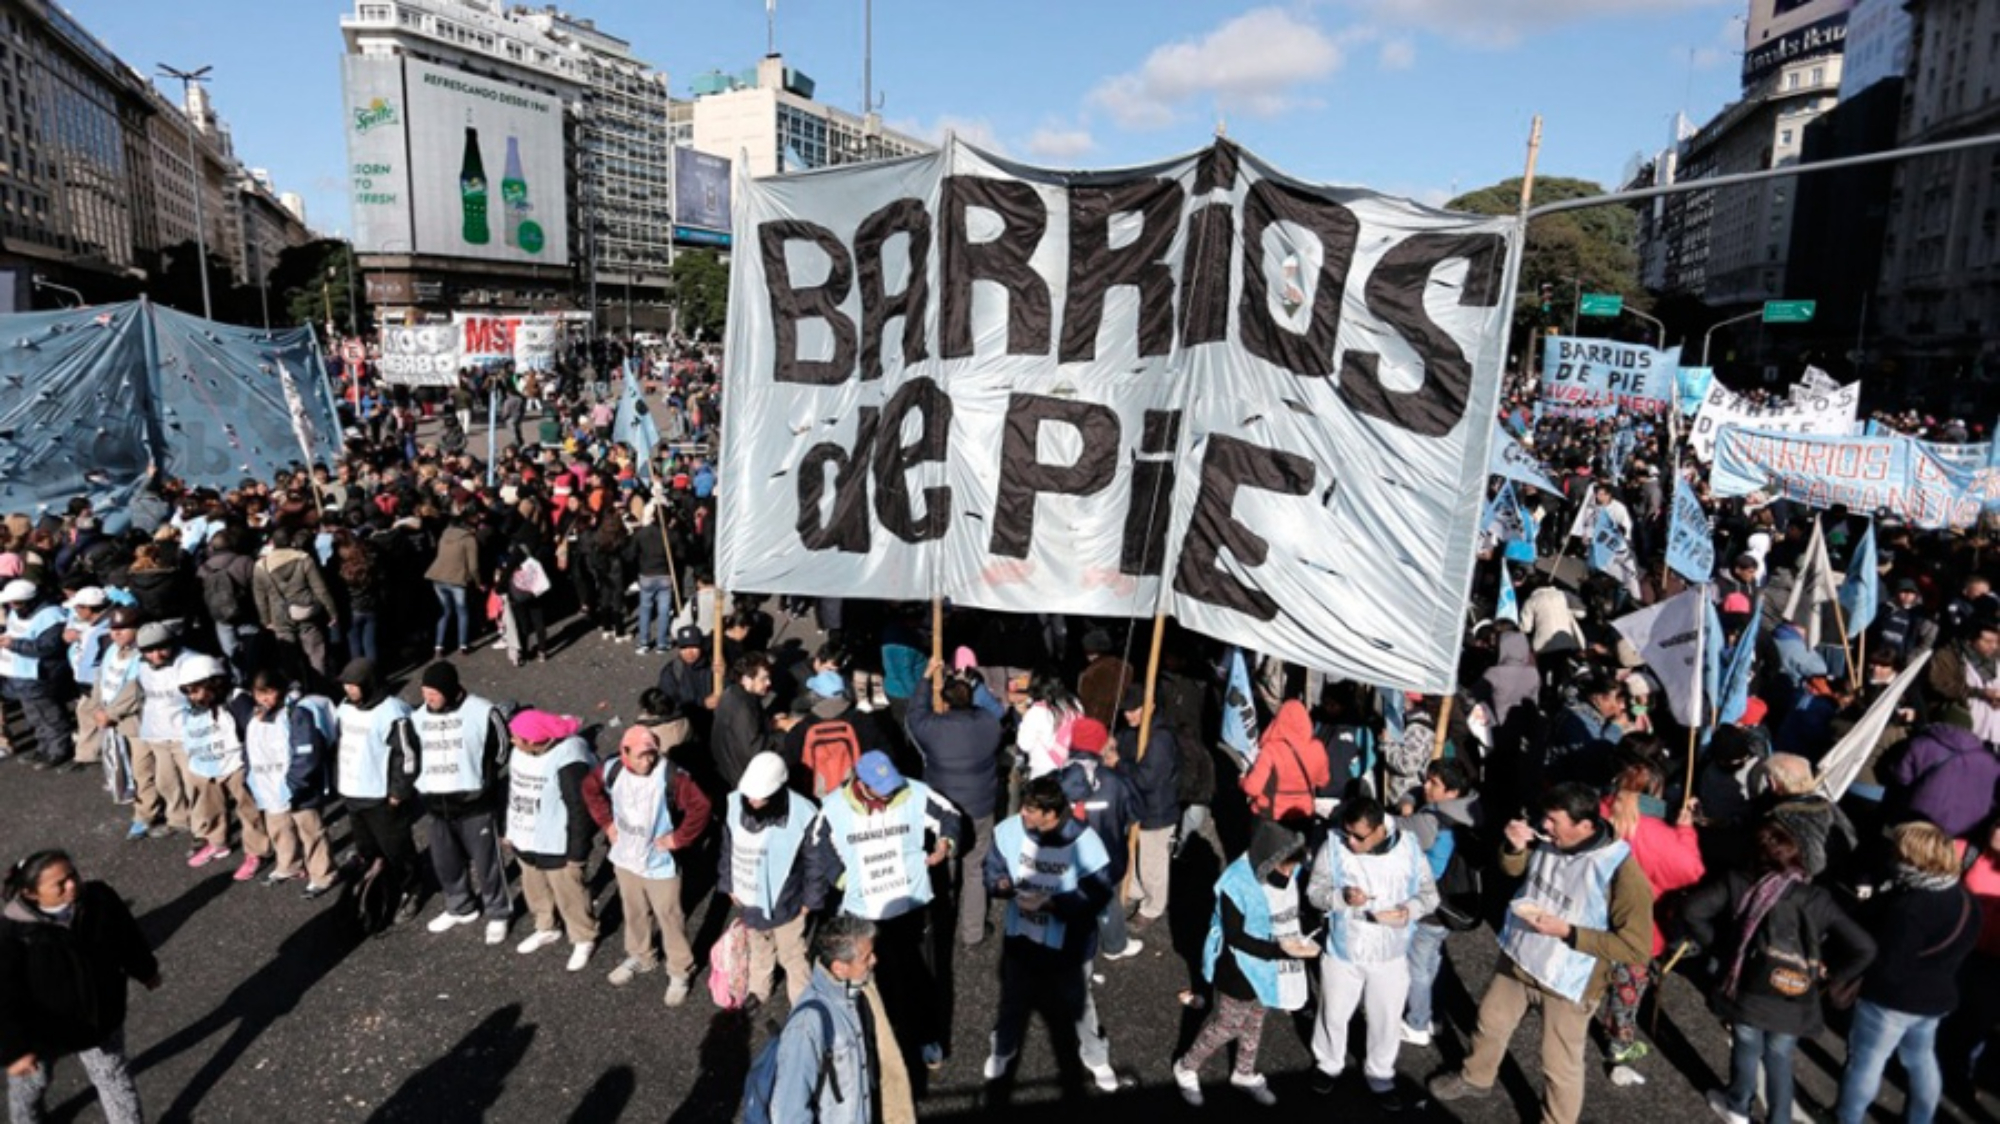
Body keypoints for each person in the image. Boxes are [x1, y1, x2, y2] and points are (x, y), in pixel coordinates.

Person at [1428, 782, 1654, 1124]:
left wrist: (1569, 933)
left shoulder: (1621, 872)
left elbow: (1636, 947)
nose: (1544, 827)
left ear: (1585, 825)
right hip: (1522, 955)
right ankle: (1476, 1078)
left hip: (1570, 980)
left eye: (1553, 821)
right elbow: (1514, 869)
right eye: (1545, 818)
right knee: (1490, 1023)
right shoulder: (1552, 839)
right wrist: (1514, 848)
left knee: (1559, 1063)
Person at [1678, 821, 1875, 1124]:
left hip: (1748, 989)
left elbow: (1692, 910)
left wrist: (1723, 949)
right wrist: (1831, 974)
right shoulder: (1816, 898)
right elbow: (1865, 948)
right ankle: (1779, 1119)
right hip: (1795, 994)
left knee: (1746, 1045)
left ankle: (1738, 1107)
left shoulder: (1738, 881)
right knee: (1780, 1057)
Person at [803, 749, 961, 1071]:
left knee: (922, 975)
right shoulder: (834, 806)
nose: (889, 793)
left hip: (912, 905)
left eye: (891, 785)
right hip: (866, 912)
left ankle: (927, 1037)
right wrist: (843, 878)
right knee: (875, 982)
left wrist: (946, 842)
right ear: (861, 782)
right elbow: (816, 844)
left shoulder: (915, 792)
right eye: (881, 787)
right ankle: (881, 1048)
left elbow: (950, 815)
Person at [1835, 821, 1983, 1124]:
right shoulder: (1967, 899)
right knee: (1921, 1062)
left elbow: (1891, 965)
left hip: (1891, 1002)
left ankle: (1846, 1118)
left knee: (1866, 1063)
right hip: (1936, 998)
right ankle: (1920, 1119)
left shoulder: (1912, 906)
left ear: (1911, 858)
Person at [981, 776, 1121, 1092]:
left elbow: (1098, 891)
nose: (1023, 815)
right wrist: (1002, 885)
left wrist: (1053, 903)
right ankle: (1003, 1049)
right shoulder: (1009, 830)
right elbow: (993, 869)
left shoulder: (1085, 841)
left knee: (1080, 1004)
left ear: (1052, 812)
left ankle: (1096, 1057)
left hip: (1070, 943)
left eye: (1031, 810)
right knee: (1013, 997)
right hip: (1022, 934)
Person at [0, 850, 156, 1124]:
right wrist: (15, 1050)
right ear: (31, 894)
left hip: (98, 1018)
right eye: (59, 884)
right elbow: (5, 995)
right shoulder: (12, 935)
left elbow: (127, 936)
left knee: (114, 1079)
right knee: (32, 1084)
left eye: (72, 875)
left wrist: (145, 969)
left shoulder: (99, 898)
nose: (72, 885)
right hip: (42, 1028)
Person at [1173, 820, 1318, 1108]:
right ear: (1268, 859)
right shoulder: (1236, 883)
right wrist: (1281, 951)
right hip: (1237, 967)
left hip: (1267, 963)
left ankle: (1244, 1072)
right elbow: (1235, 937)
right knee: (1227, 1024)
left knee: (1255, 1019)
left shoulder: (1284, 870)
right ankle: (1186, 1066)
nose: (1289, 873)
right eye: (1285, 866)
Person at [1306, 796, 1437, 1109]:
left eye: (1359, 836)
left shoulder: (1409, 847)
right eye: (1347, 832)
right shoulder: (1334, 845)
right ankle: (1328, 1064)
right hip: (1343, 949)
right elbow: (1314, 892)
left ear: (1381, 829)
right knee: (1333, 1013)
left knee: (1386, 1020)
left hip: (1391, 953)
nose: (1350, 841)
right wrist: (1340, 897)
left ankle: (1380, 1074)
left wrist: (1407, 911)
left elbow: (1430, 896)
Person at [581, 725, 711, 1002]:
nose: (647, 761)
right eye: (641, 756)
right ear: (624, 752)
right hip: (626, 857)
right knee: (634, 910)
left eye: (651, 754)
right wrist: (606, 824)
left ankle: (680, 969)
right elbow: (589, 790)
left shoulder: (670, 776)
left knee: (670, 916)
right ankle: (641, 955)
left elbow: (701, 806)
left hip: (658, 862)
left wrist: (678, 839)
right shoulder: (611, 769)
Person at [1596, 757, 1705, 1073]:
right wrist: (1685, 830)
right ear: (1657, 791)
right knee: (1627, 989)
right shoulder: (1659, 833)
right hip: (1638, 924)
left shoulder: (1598, 812)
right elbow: (1691, 871)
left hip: (1591, 914)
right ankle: (1620, 1045)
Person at [412, 660, 514, 945]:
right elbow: (412, 754)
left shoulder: (482, 711)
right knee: (446, 862)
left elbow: (501, 750)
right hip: (436, 804)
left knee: (487, 863)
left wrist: (485, 779)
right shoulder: (417, 717)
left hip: (474, 804)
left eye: (433, 693)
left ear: (449, 689)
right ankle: (460, 906)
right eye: (424, 692)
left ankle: (498, 912)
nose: (427, 698)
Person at [908, 661, 1005, 947]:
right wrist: (973, 683)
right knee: (975, 867)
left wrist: (926, 678)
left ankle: (942, 926)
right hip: (980, 805)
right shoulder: (989, 723)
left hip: (944, 809)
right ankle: (973, 930)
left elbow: (914, 714)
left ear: (945, 702)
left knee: (945, 868)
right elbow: (997, 710)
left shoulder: (932, 729)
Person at [502, 709, 599, 973]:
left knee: (570, 892)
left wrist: (578, 851)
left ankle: (583, 936)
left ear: (535, 741)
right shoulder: (522, 752)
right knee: (535, 887)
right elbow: (515, 791)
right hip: (527, 835)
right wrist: (511, 830)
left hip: (558, 841)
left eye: (518, 738)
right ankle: (545, 926)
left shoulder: (569, 759)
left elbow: (580, 807)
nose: (513, 742)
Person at [719, 752, 816, 1007]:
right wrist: (728, 883)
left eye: (758, 795)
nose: (750, 800)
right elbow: (727, 848)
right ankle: (758, 988)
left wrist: (810, 900)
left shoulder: (803, 813)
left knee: (793, 954)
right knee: (758, 946)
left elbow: (814, 862)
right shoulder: (734, 804)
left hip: (788, 900)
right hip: (750, 897)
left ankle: (802, 1001)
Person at [1400, 757, 1484, 1047]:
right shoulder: (1472, 808)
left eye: (1433, 783)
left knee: (1417, 965)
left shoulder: (1432, 819)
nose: (1426, 786)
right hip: (1453, 902)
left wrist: (1404, 809)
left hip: (1429, 903)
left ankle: (1417, 1023)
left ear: (1451, 792)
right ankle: (1434, 1014)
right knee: (1434, 960)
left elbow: (1399, 829)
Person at [766, 914, 879, 1124]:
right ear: (839, 968)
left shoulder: (856, 993)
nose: (874, 960)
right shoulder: (807, 1025)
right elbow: (789, 1113)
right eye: (866, 958)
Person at [333, 658, 421, 920]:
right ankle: (378, 887)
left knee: (398, 850)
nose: (348, 691)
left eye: (353, 686)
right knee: (366, 848)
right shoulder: (345, 708)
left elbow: (406, 756)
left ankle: (412, 889)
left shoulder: (392, 712)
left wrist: (398, 793)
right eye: (345, 685)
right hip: (353, 793)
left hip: (381, 798)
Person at [242, 671, 338, 897]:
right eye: (259, 693)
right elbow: (250, 751)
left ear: (281, 690)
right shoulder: (254, 718)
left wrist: (294, 783)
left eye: (270, 692)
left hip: (299, 789)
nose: (265, 699)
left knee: (311, 831)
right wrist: (252, 779)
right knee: (279, 829)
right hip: (269, 787)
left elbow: (307, 753)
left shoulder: (297, 714)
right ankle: (289, 865)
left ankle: (323, 874)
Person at [1057, 718, 1143, 961]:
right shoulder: (1115, 781)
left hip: (1067, 858)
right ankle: (1115, 945)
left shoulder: (1057, 777)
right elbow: (1136, 813)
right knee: (1106, 900)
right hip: (1106, 856)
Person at [177, 655, 269, 881]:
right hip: (206, 765)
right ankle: (216, 841)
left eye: (197, 690)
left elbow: (253, 730)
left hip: (235, 764)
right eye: (189, 692)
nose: (193, 697)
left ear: (214, 683)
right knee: (211, 807)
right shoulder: (194, 706)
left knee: (249, 810)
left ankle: (256, 851)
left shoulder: (236, 700)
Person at [1110, 685, 1178, 934]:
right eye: (1126, 710)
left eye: (1134, 709)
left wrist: (1118, 763)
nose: (1129, 715)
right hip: (1136, 807)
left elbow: (1148, 779)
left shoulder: (1160, 738)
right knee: (1131, 854)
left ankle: (1153, 907)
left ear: (1149, 706)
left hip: (1156, 811)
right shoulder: (1132, 731)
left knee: (1152, 864)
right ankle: (1135, 890)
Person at [0, 579, 73, 768]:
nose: (11, 607)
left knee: (50, 715)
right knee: (33, 715)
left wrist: (13, 645)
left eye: (15, 603)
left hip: (42, 675)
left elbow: (48, 647)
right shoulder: (18, 612)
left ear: (30, 601)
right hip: (21, 673)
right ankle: (44, 747)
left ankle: (59, 750)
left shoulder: (51, 616)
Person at [251, 527, 337, 683]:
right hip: (307, 611)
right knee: (315, 652)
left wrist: (266, 620)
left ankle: (296, 687)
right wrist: (332, 612)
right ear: (291, 542)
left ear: (272, 543)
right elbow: (320, 589)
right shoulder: (304, 559)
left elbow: (260, 597)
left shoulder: (260, 566)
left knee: (288, 655)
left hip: (279, 615)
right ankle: (321, 685)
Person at [130, 624, 192, 840]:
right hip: (157, 732)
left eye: (162, 649)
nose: (156, 655)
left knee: (194, 783)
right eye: (149, 651)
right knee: (166, 782)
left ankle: (205, 829)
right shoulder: (141, 666)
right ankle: (178, 820)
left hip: (185, 734)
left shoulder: (189, 662)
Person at [78, 608, 142, 787]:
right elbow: (101, 678)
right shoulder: (111, 650)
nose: (117, 633)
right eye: (113, 628)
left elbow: (135, 689)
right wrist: (97, 706)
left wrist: (110, 713)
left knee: (140, 766)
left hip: (133, 718)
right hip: (107, 713)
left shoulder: (142, 653)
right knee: (116, 756)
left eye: (124, 628)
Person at [1241, 699, 1331, 823]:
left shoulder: (1271, 749)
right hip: (1303, 813)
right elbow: (1323, 782)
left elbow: (1252, 788)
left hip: (1271, 814)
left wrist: (1242, 780)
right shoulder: (1317, 748)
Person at [712, 652, 780, 792]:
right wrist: (782, 734)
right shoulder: (744, 709)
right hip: (741, 777)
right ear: (747, 680)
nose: (769, 683)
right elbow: (753, 748)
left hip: (728, 770)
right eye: (763, 679)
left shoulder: (732, 693)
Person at [423, 513, 481, 659]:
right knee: (462, 611)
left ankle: (438, 646)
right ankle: (463, 645)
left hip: (438, 576)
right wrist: (478, 582)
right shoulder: (469, 539)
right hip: (457, 578)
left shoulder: (445, 534)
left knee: (445, 612)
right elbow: (473, 566)